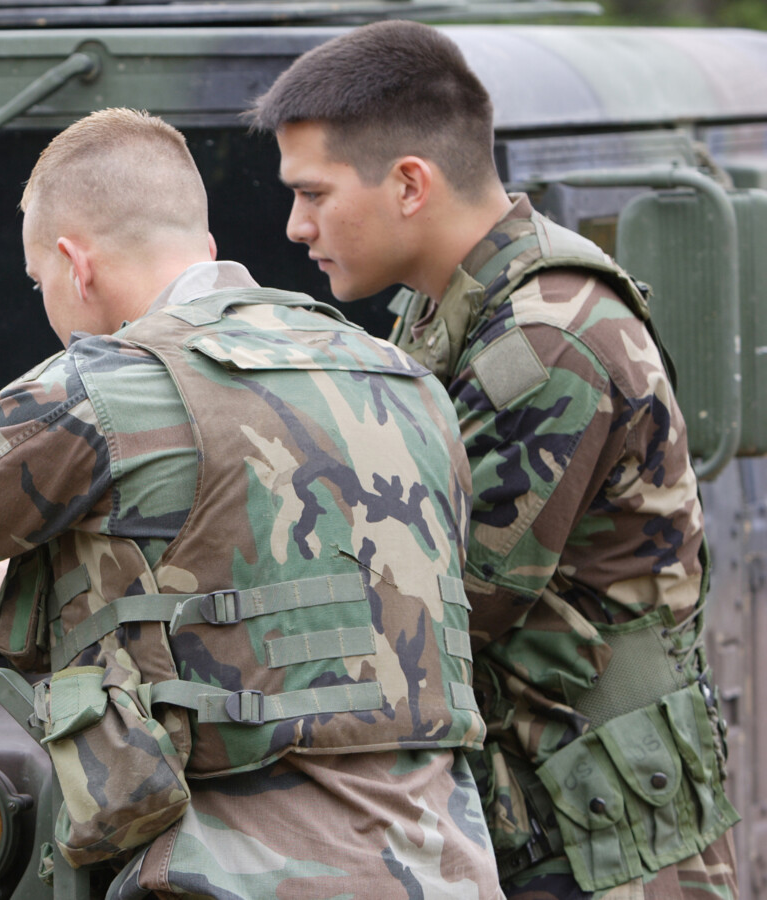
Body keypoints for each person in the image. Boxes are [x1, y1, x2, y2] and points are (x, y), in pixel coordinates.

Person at [0, 107, 501, 898]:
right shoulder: (404, 378)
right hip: (444, 867)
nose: (46, 302)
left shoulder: (106, 386)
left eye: (38, 282)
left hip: (236, 875)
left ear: (73, 264)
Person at [249, 20, 739, 900]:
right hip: (538, 811)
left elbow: (442, 608)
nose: (296, 225)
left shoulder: (546, 342)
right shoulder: (451, 309)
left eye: (314, 193)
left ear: (409, 184)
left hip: (600, 844)